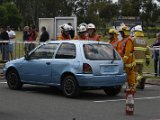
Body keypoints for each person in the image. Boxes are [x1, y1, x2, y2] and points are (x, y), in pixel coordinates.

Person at [132, 25, 150, 89]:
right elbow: (147, 50)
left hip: (134, 60)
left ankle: (141, 79)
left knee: (134, 72)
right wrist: (148, 59)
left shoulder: (133, 39)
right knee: (140, 72)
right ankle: (140, 84)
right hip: (142, 60)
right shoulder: (144, 41)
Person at [119, 23, 136, 92]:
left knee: (130, 74)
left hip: (129, 60)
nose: (121, 34)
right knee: (127, 75)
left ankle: (132, 87)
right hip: (125, 59)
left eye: (121, 32)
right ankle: (129, 87)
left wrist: (123, 60)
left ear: (125, 32)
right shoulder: (123, 40)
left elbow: (127, 52)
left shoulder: (128, 40)